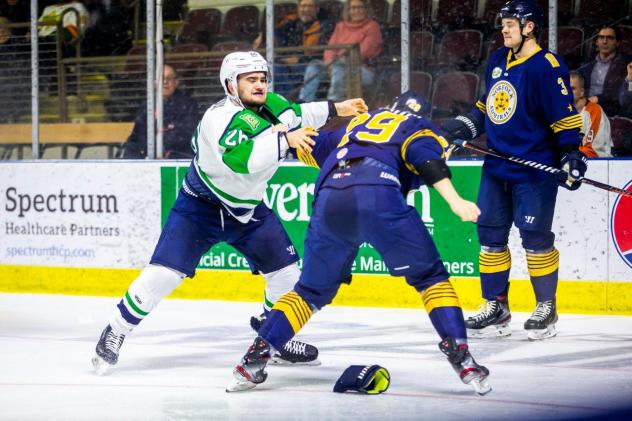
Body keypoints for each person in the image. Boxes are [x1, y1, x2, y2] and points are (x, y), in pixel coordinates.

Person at [92, 51, 368, 374]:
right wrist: (286, 140)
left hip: (249, 211)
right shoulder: (218, 119)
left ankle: (272, 336)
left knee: (288, 275)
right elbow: (244, 159)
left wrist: (338, 108)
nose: (259, 85)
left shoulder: (271, 105)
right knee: (164, 275)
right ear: (230, 85)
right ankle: (115, 330)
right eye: (250, 80)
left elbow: (298, 113)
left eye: (262, 78)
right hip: (201, 208)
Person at [226, 91, 492, 396]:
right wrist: (456, 199)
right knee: (431, 279)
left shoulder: (359, 122)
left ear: (392, 106)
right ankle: (463, 359)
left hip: (330, 197)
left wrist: (281, 132)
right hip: (379, 194)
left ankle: (253, 361)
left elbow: (308, 144)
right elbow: (425, 159)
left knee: (308, 292)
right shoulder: (419, 127)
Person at [441, 0, 586, 341]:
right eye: (503, 23)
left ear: (529, 27)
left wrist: (570, 155)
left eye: (510, 23)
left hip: (534, 169)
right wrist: (461, 127)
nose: (503, 29)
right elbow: (485, 107)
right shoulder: (497, 60)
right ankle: (496, 306)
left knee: (535, 240)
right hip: (496, 165)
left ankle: (546, 307)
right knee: (490, 238)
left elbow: (564, 117)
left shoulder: (547, 67)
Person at [301, 0, 382, 102]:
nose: (356, 11)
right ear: (348, 11)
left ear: (366, 10)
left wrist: (336, 62)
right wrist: (330, 63)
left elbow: (361, 52)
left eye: (360, 7)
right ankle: (304, 102)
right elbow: (331, 48)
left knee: (339, 66)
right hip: (335, 66)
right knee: (314, 65)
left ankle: (333, 103)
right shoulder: (341, 26)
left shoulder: (372, 26)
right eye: (353, 8)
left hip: (361, 69)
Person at [121, 64, 199, 159]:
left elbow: (186, 135)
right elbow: (138, 135)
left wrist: (161, 140)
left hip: (178, 158)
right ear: (154, 83)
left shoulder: (188, 104)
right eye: (161, 78)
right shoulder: (147, 105)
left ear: (176, 82)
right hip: (149, 158)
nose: (165, 82)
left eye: (169, 78)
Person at [272, 0, 333, 100]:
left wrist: (300, 60)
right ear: (298, 9)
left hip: (310, 64)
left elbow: (322, 53)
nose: (306, 10)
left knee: (310, 69)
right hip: (286, 63)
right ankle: (283, 102)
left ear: (317, 9)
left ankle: (298, 103)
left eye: (310, 6)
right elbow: (276, 36)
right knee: (274, 68)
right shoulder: (291, 24)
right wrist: (263, 35)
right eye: (303, 6)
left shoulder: (324, 26)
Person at [578, 25, 629, 117]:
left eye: (610, 38)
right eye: (601, 37)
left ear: (617, 43)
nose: (605, 41)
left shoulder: (626, 66)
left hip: (611, 113)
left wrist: (599, 99)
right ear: (597, 42)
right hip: (584, 111)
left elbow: (624, 94)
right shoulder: (586, 65)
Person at [569, 71, 612, 158]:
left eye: (572, 88)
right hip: (572, 161)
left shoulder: (594, 111)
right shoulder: (560, 111)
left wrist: (564, 151)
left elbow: (592, 150)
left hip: (600, 165)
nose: (567, 91)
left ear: (581, 92)